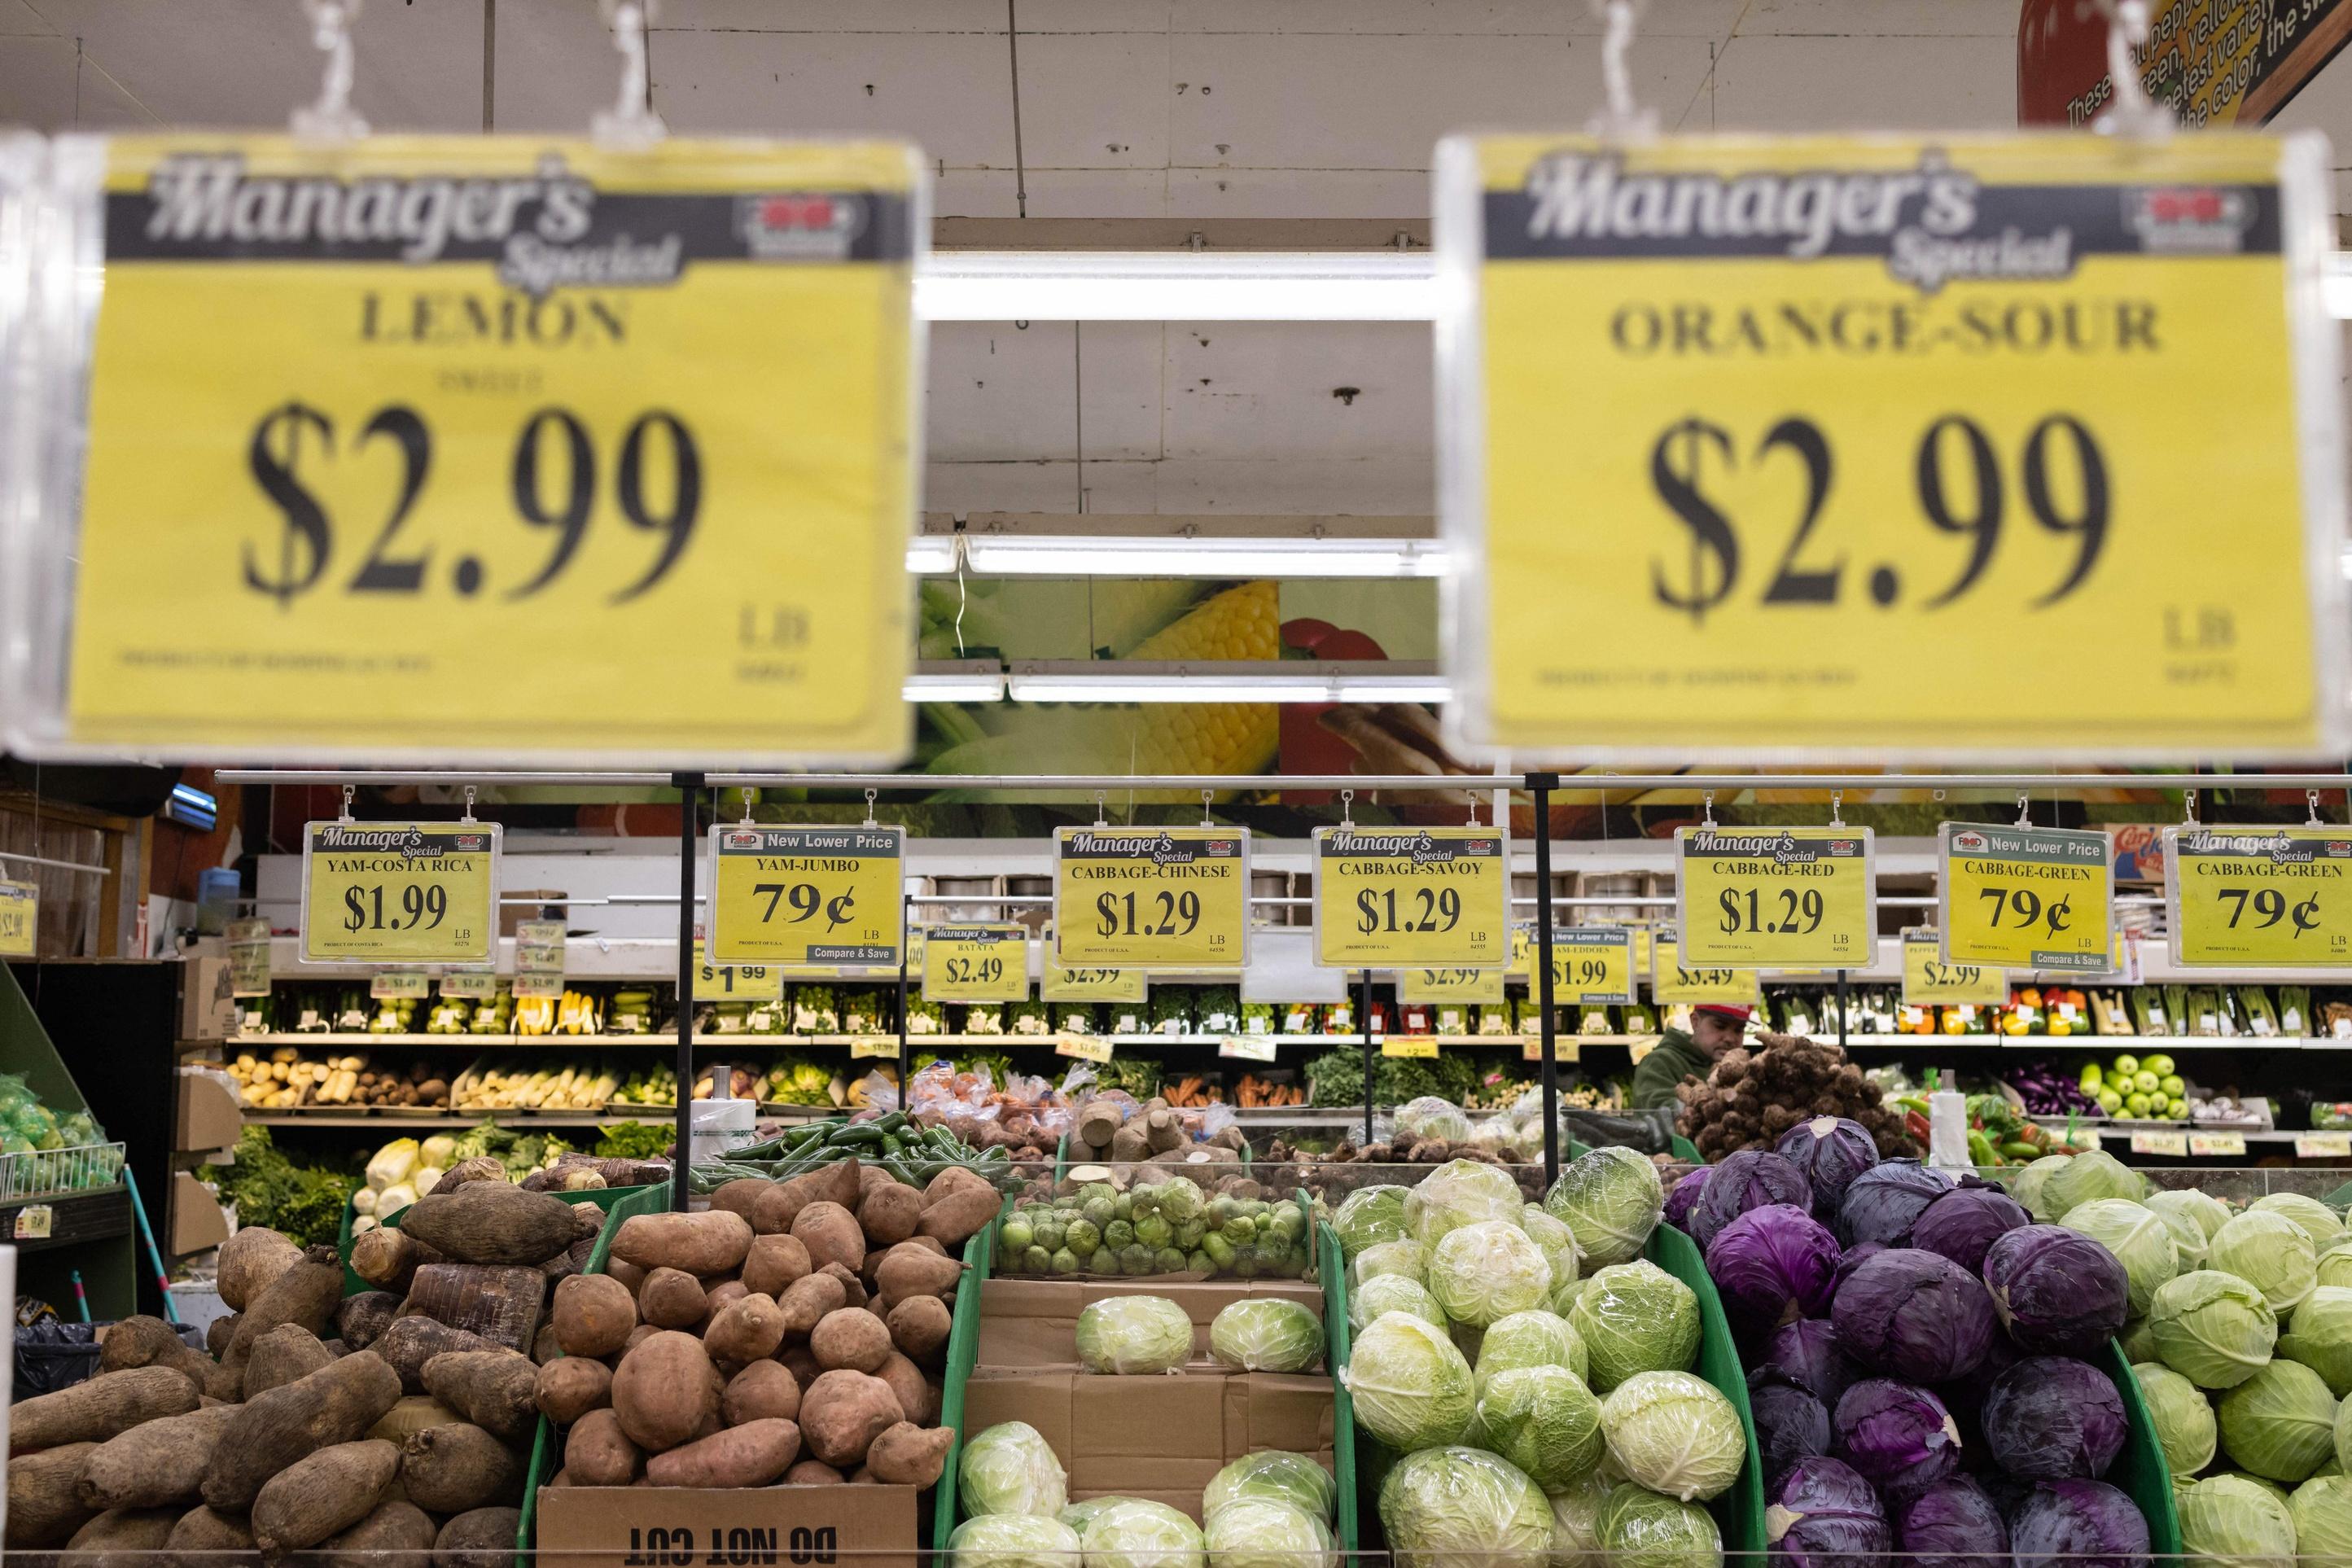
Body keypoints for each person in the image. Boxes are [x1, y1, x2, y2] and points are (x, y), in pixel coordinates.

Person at [1629, 1002, 1752, 1109]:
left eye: (1739, 1030)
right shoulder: (1658, 1063)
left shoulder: (1746, 1070)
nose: (1730, 1038)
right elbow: (1659, 1114)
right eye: (1720, 1027)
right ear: (1695, 1022)